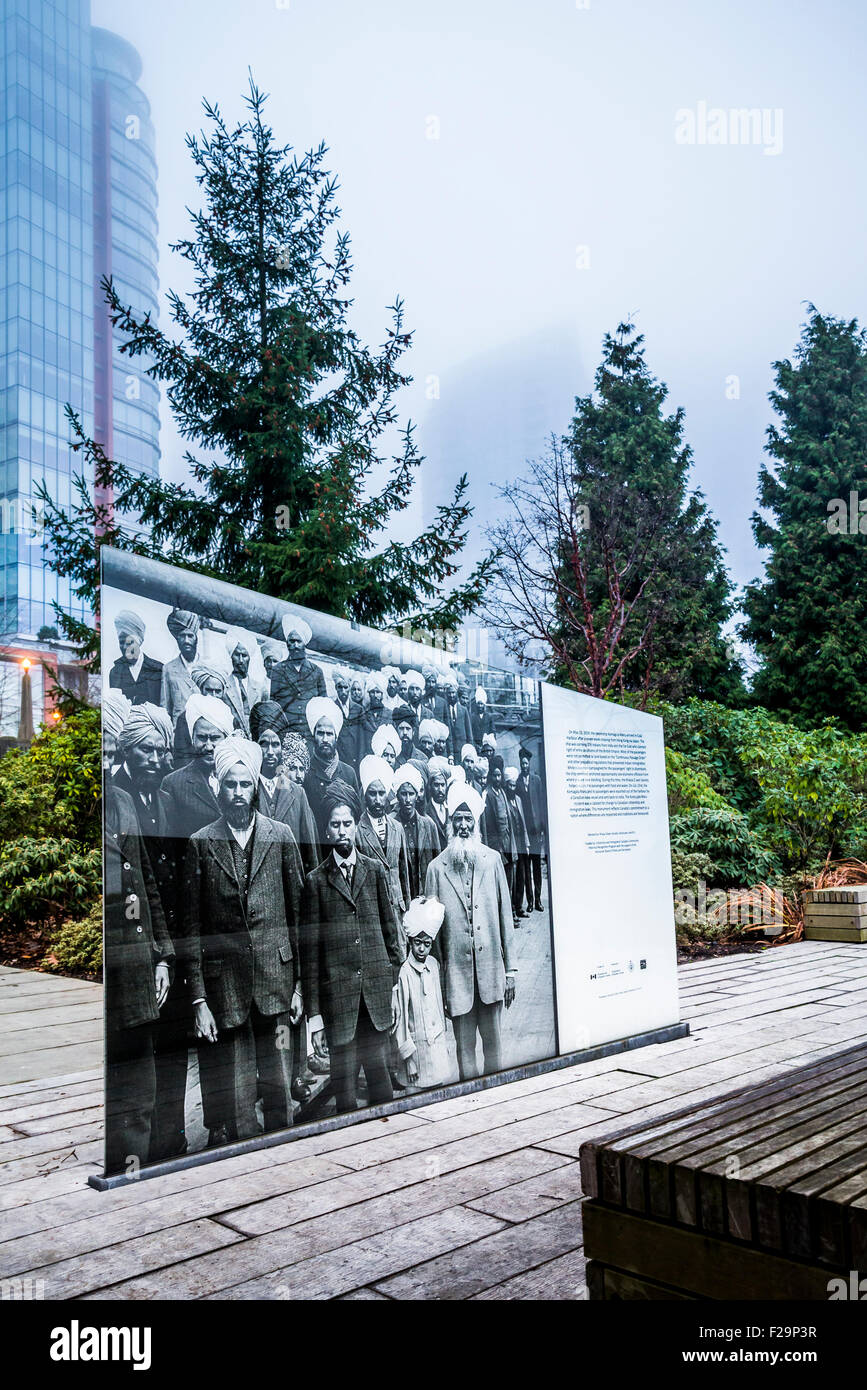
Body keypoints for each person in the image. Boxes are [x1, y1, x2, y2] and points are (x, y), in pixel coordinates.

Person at [184, 736, 305, 1145]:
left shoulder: (282, 836)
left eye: (245, 784)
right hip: (227, 989)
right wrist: (200, 999)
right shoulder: (201, 845)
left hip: (277, 981)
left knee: (279, 1085)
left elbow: (298, 915)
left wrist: (301, 984)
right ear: (219, 786)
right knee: (236, 1098)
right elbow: (193, 930)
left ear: (255, 786)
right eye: (230, 784)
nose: (238, 793)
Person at [301, 781, 404, 1113]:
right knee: (344, 1092)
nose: (342, 831)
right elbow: (312, 956)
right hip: (338, 1005)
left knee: (381, 1085)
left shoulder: (375, 872)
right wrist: (314, 1016)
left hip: (374, 1000)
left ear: (356, 826)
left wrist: (390, 985)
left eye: (347, 824)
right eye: (335, 824)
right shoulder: (316, 881)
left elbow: (392, 937)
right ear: (326, 829)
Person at [103, 716, 173, 1174]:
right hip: (110, 973)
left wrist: (162, 956)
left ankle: (138, 1170)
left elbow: (145, 879)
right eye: (103, 751)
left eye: (109, 749)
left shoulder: (126, 803)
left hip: (139, 968)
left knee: (141, 1087)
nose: (106, 759)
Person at [425, 783, 516, 1081]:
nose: (463, 826)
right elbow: (431, 934)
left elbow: (506, 919)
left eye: (468, 820)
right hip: (457, 980)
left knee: (495, 1050)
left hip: (491, 974)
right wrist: (438, 983)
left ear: (475, 823)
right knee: (464, 1052)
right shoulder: (436, 869)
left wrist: (510, 971)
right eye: (458, 819)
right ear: (450, 823)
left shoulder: (492, 861)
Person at [391, 896, 457, 1092]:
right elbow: (401, 1020)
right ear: (410, 941)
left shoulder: (434, 965)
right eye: (418, 943)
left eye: (427, 944)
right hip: (416, 1055)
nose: (422, 948)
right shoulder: (405, 972)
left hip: (435, 1049)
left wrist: (443, 1045)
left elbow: (437, 1008)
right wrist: (408, 1058)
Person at [251, 708, 320, 877]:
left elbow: (310, 853)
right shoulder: (247, 790)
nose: (270, 752)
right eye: (263, 744)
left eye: (275, 744)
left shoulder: (297, 794)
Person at [160, 694, 234, 841]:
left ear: (226, 739)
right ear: (192, 738)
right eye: (201, 738)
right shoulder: (173, 784)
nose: (208, 746)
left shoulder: (242, 779)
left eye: (214, 738)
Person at [355, 755, 411, 929]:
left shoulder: (397, 828)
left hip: (398, 911)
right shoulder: (357, 831)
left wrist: (407, 909)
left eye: (381, 793)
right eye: (372, 794)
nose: (378, 800)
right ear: (365, 794)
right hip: (373, 914)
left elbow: (404, 874)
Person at [303, 697, 360, 839]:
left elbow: (357, 816)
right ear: (313, 735)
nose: (325, 739)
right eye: (320, 733)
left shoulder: (349, 773)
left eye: (329, 734)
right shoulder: (305, 772)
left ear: (336, 736)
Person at [269, 616, 327, 737]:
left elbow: (323, 704)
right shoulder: (278, 670)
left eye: (298, 641)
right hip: (286, 731)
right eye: (292, 641)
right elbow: (273, 704)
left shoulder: (317, 671)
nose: (295, 645)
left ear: (304, 643)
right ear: (287, 644)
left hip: (309, 732)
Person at [394, 763, 440, 899]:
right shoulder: (392, 825)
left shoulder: (429, 825)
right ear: (397, 795)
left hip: (426, 894)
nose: (407, 800)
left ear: (417, 795)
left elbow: (437, 863)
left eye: (411, 794)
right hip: (402, 895)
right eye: (403, 794)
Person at [483, 754, 519, 906]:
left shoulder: (503, 792)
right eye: (495, 775)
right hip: (495, 845)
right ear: (491, 776)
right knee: (498, 882)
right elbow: (487, 825)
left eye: (499, 775)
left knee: (510, 879)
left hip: (508, 842)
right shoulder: (487, 794)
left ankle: (509, 911)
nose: (497, 779)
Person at [109, 610, 163, 707]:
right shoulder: (115, 672)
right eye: (121, 642)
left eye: (130, 643)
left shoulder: (158, 669)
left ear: (139, 642)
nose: (125, 647)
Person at [516, 746, 546, 913]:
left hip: (536, 832)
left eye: (526, 763)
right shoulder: (518, 782)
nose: (524, 766)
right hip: (524, 833)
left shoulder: (536, 780)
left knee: (536, 867)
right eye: (522, 763)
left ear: (529, 763)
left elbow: (542, 806)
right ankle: (530, 901)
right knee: (526, 867)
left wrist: (542, 830)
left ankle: (538, 899)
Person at [160, 609, 202, 724]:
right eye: (182, 636)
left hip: (202, 731)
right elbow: (165, 707)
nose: (186, 641)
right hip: (179, 733)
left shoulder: (206, 666)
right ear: (177, 639)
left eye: (190, 636)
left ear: (196, 639)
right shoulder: (168, 669)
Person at [224, 627, 264, 736]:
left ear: (249, 658)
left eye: (244, 655)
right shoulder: (224, 686)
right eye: (237, 655)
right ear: (231, 656)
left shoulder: (259, 688)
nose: (241, 660)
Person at [504, 766, 531, 924]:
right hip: (511, 844)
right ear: (506, 785)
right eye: (510, 785)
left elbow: (523, 823)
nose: (512, 788)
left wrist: (526, 842)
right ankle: (512, 910)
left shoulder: (518, 800)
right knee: (512, 879)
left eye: (514, 785)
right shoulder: (504, 800)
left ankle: (519, 906)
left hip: (521, 843)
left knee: (521, 875)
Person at [442, 675, 473, 758]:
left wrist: (470, 751)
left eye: (453, 693)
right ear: (446, 694)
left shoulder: (463, 710)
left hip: (462, 751)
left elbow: (469, 734)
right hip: (449, 752)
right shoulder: (444, 709)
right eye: (449, 693)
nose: (451, 695)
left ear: (456, 693)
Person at [426, 756, 451, 851]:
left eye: (442, 785)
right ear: (430, 787)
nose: (440, 790)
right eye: (436, 785)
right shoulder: (426, 811)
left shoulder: (451, 809)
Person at [470, 686, 496, 751]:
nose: (480, 706)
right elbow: (470, 732)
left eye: (481, 704)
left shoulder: (489, 716)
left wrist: (489, 744)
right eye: (478, 704)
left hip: (486, 746)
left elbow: (493, 732)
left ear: (484, 705)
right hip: (475, 745)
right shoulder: (472, 716)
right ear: (476, 704)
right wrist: (475, 745)